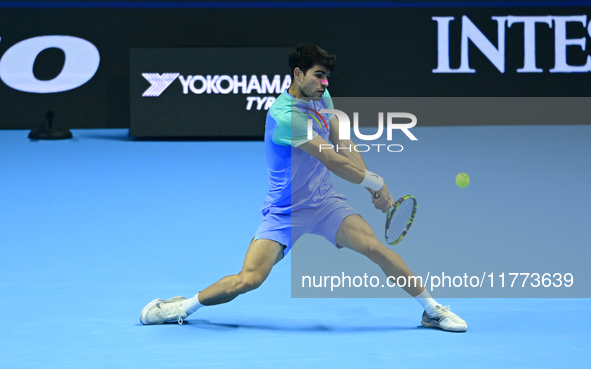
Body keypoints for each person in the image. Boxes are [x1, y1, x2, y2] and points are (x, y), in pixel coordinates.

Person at [140, 44, 467, 332]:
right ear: (298, 74)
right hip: (285, 212)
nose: (325, 83)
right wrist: (376, 182)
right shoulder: (286, 118)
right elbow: (333, 161)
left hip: (325, 204)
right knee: (248, 280)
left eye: (327, 77)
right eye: (318, 75)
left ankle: (432, 310)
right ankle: (181, 308)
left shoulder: (321, 95)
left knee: (376, 249)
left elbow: (344, 143)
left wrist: (371, 186)